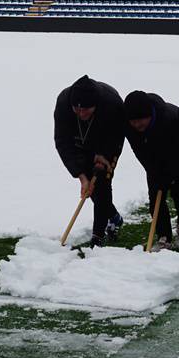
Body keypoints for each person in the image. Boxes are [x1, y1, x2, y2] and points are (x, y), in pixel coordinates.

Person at [53, 75, 125, 247]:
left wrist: (105, 156)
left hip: (105, 141)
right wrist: (81, 177)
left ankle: (97, 237)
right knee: (91, 189)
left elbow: (116, 136)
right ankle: (114, 216)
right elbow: (62, 142)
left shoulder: (111, 103)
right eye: (77, 110)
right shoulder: (64, 103)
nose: (82, 113)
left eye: (86, 109)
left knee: (101, 184)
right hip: (79, 143)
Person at [124, 90, 179, 250]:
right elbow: (139, 150)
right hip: (154, 160)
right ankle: (164, 237)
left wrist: (169, 175)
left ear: (150, 114)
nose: (137, 125)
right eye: (133, 122)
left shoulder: (172, 119)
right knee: (155, 195)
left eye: (141, 121)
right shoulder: (129, 126)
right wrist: (152, 170)